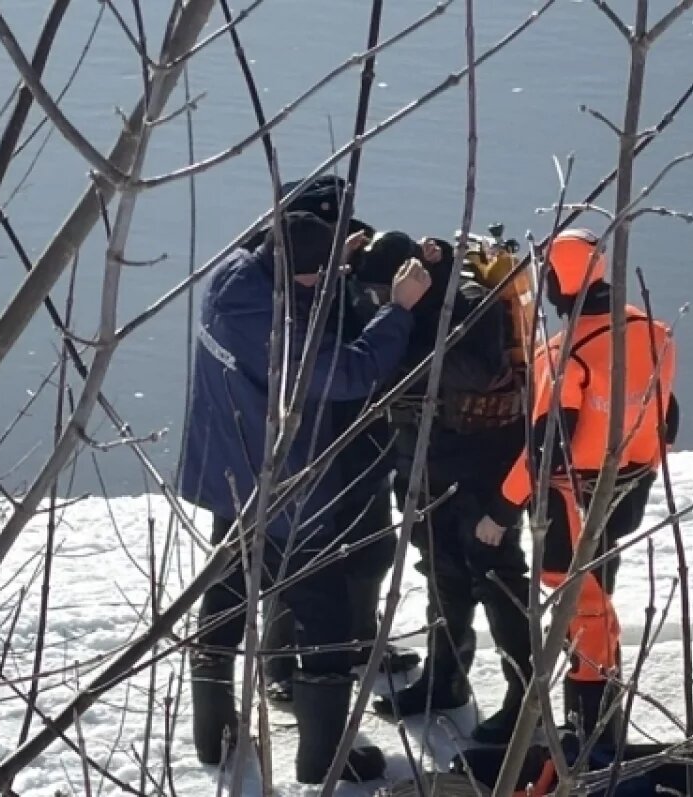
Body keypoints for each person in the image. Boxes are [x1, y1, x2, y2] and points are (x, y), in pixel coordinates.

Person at [179, 209, 433, 784]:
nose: (327, 284)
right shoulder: (279, 330)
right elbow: (349, 372)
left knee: (227, 590)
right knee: (322, 611)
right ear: (299, 275)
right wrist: (399, 308)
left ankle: (213, 729)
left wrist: (333, 250)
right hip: (284, 487)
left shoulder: (234, 276)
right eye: (321, 275)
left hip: (229, 471)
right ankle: (322, 756)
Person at [473, 228, 680, 755]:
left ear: (559, 283)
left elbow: (545, 450)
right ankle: (596, 725)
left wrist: (501, 509)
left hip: (574, 501)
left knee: (581, 609)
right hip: (630, 488)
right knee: (596, 599)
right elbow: (667, 414)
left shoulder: (565, 353)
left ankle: (589, 737)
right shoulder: (653, 331)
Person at [350, 230, 535, 745]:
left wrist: (408, 331)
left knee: (494, 577)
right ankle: (445, 679)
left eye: (383, 293)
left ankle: (526, 699)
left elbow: (479, 370)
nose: (377, 303)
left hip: (481, 461)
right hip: (425, 458)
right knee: (438, 568)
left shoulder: (469, 302)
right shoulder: (390, 306)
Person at [252, 177, 420, 705]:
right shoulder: (267, 289)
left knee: (371, 548)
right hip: (301, 447)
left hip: (361, 436)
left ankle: (362, 642)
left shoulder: (338, 265)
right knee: (294, 559)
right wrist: (396, 308)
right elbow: (349, 366)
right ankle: (280, 661)